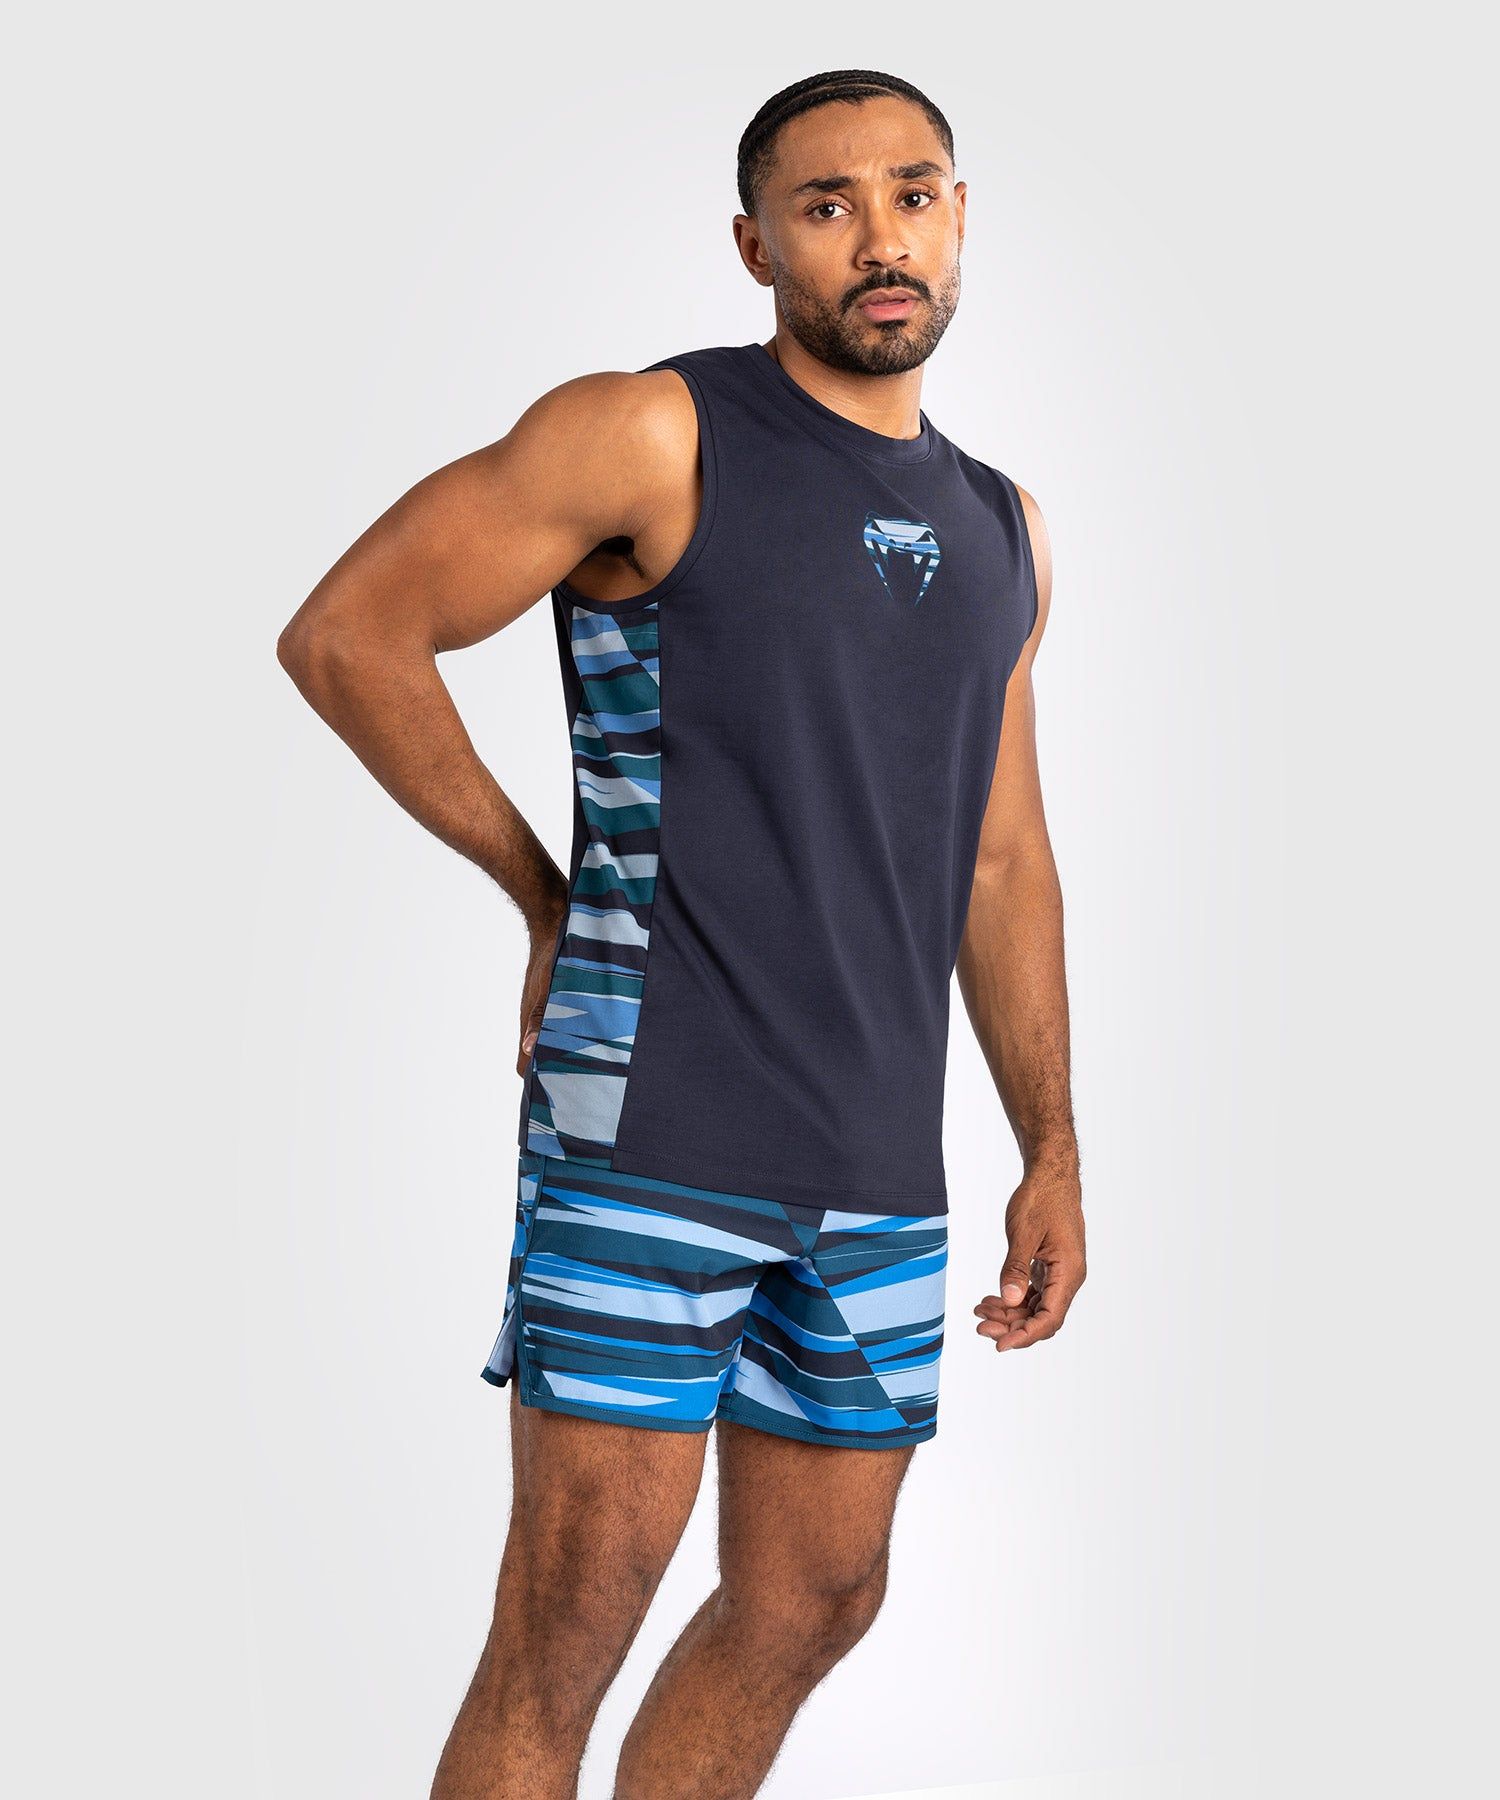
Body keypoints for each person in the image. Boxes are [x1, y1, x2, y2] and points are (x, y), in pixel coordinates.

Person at [278, 66, 1086, 1800]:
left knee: (813, 1601)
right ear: (755, 244)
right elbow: (350, 635)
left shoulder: (1004, 529)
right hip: (655, 1118)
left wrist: (1054, 1149)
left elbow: (1003, 860)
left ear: (960, 220)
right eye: (827, 205)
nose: (880, 238)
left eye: (914, 194)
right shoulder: (655, 433)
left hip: (876, 1156)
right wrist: (541, 890)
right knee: (570, 1620)